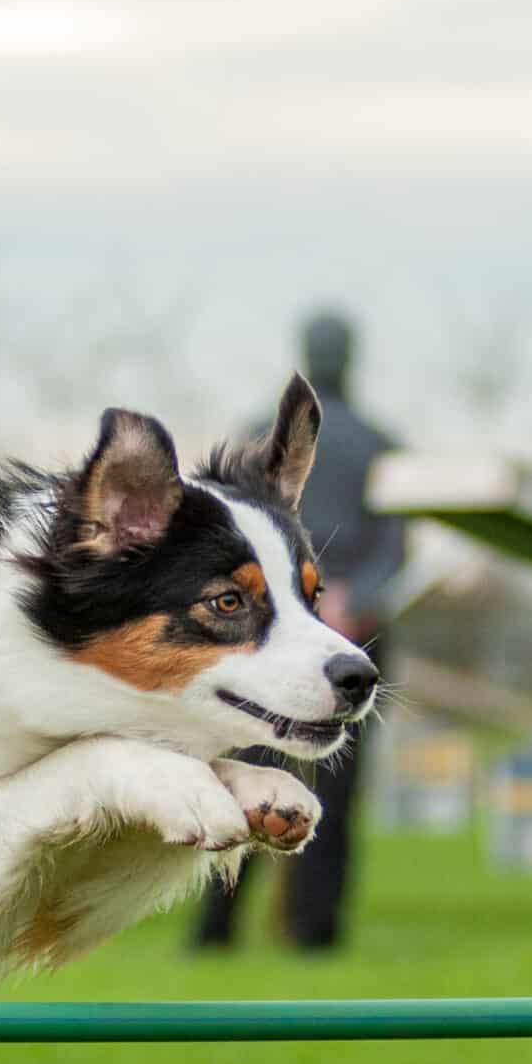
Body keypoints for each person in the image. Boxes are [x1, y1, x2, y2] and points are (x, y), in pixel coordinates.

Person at [191, 309, 406, 952]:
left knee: (245, 772)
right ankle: (312, 932)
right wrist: (349, 601)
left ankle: (219, 931)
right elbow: (396, 546)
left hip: (267, 630)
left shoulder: (255, 435)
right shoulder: (382, 443)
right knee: (320, 784)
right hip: (346, 635)